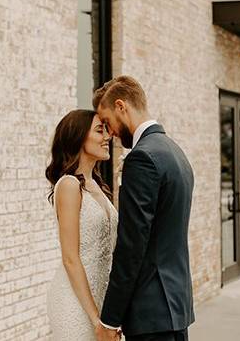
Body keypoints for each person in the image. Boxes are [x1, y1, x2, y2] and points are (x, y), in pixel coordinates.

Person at [93, 76, 195, 341]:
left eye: (107, 122)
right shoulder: (175, 152)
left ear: (121, 107)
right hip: (175, 307)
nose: (110, 132)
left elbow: (131, 246)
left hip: (151, 313)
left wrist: (110, 319)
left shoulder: (142, 158)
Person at [45, 109, 120, 340]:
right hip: (75, 303)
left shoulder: (98, 185)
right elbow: (70, 258)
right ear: (78, 137)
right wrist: (95, 319)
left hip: (102, 297)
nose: (107, 136)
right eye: (100, 130)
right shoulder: (68, 185)